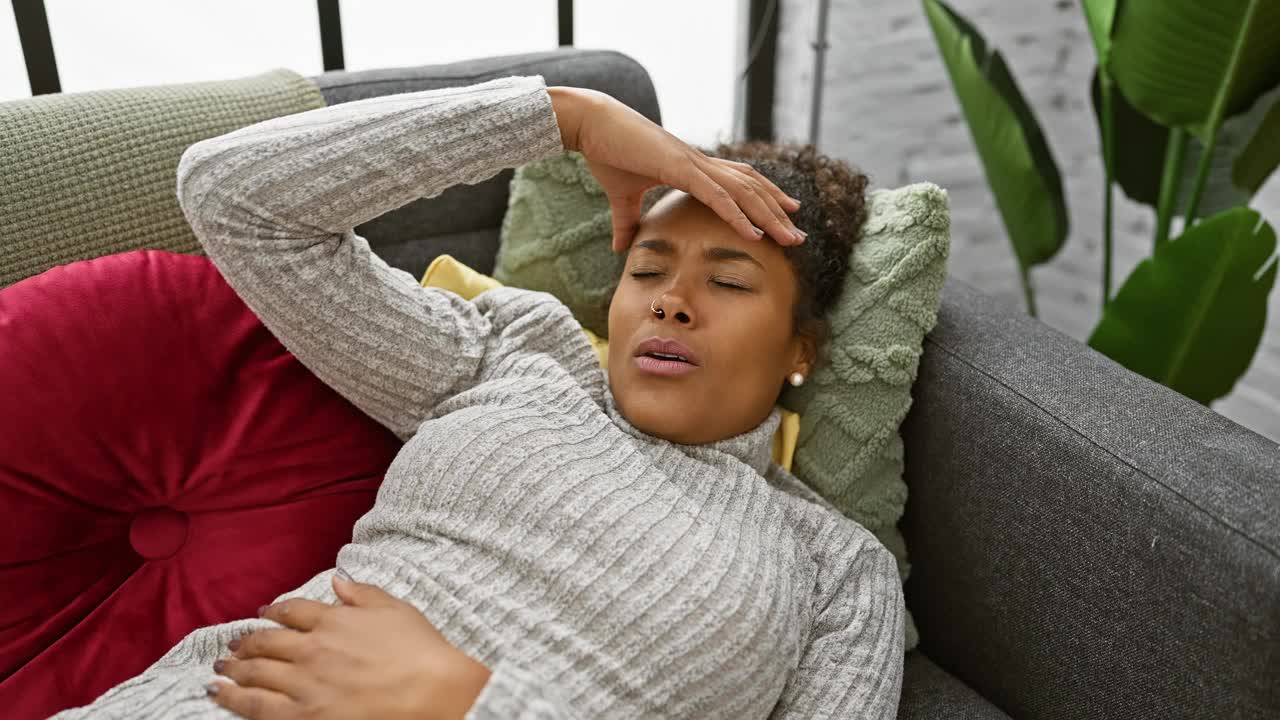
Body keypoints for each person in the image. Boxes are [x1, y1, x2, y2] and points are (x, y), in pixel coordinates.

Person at [50, 73, 904, 720]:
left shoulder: (834, 570)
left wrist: (464, 701)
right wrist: (563, 117)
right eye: (646, 269)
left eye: (728, 282)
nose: (669, 301)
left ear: (802, 350)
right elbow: (233, 199)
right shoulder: (516, 359)